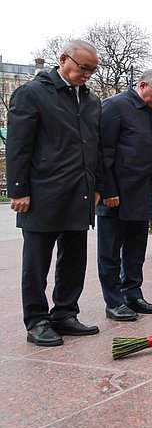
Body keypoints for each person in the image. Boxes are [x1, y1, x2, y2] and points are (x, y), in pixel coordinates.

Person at [7, 40, 101, 346]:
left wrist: (96, 185)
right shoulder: (32, 93)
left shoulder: (89, 100)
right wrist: (18, 190)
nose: (86, 74)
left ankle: (65, 313)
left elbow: (94, 146)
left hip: (80, 191)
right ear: (63, 59)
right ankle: (36, 321)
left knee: (74, 257)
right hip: (43, 191)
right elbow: (18, 145)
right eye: (83, 67)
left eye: (92, 70)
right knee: (36, 262)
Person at [97, 68, 152, 321]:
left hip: (145, 193)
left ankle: (133, 293)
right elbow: (103, 152)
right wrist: (108, 189)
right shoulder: (114, 106)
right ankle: (114, 300)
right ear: (142, 85)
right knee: (110, 250)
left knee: (136, 249)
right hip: (116, 194)